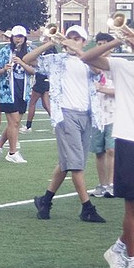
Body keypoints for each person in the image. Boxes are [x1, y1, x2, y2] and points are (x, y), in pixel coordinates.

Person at [81, 23, 134, 268]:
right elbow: (87, 57)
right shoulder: (124, 66)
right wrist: (118, 40)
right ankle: (133, 263)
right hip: (130, 140)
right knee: (133, 206)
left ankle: (119, 248)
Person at [22, 25, 106, 223]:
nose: (72, 41)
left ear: (84, 43)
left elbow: (97, 69)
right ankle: (87, 208)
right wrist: (51, 41)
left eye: (77, 38)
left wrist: (77, 50)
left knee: (67, 162)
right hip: (65, 115)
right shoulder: (56, 60)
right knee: (76, 164)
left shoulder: (89, 61)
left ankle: (45, 200)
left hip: (86, 115)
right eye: (70, 37)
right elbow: (27, 60)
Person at [0, 26, 32, 164]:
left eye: (21, 36)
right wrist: (4, 69)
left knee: (16, 123)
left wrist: (22, 63)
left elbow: (34, 70)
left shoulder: (29, 52)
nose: (18, 39)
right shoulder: (5, 50)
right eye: (16, 36)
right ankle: (12, 152)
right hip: (8, 91)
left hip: (23, 91)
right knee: (13, 122)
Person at [87, 33, 116, 198]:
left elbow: (122, 91)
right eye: (98, 44)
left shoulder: (117, 66)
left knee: (111, 149)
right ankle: (102, 184)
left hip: (114, 113)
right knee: (99, 151)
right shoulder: (93, 65)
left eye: (104, 44)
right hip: (98, 114)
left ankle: (112, 184)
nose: (101, 47)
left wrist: (102, 89)